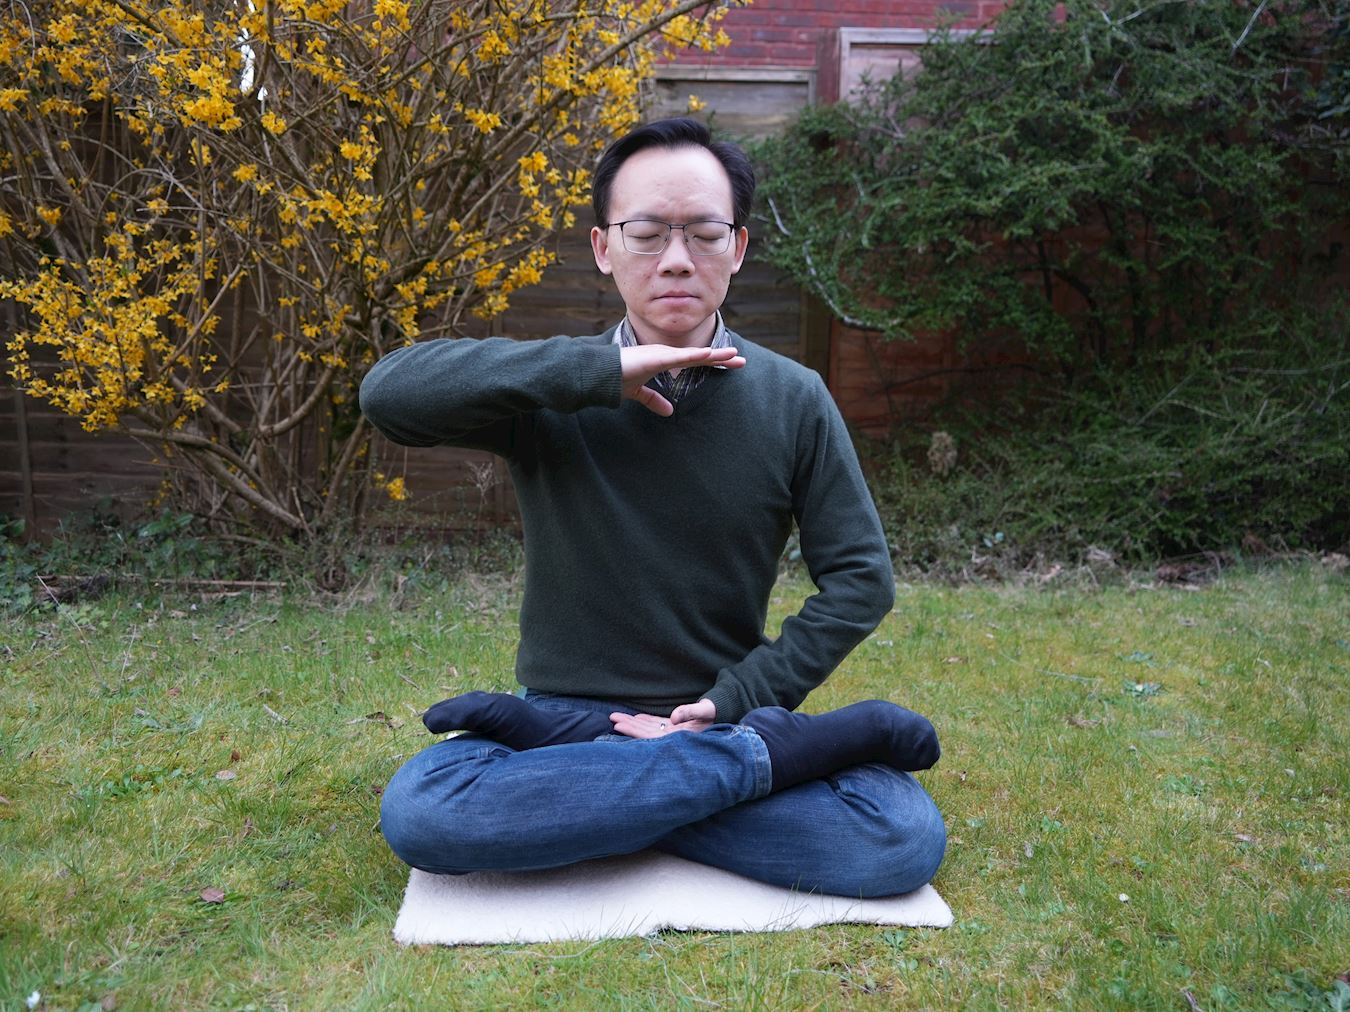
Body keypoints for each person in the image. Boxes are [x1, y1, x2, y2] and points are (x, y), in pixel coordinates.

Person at [359, 117, 946, 897]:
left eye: (704, 233)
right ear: (604, 248)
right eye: (645, 234)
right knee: (422, 810)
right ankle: (755, 769)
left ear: (738, 248)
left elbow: (861, 581)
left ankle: (611, 801)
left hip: (716, 713)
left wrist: (739, 701)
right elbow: (388, 396)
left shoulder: (793, 398)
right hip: (564, 716)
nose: (675, 258)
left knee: (899, 836)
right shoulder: (555, 390)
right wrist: (596, 372)